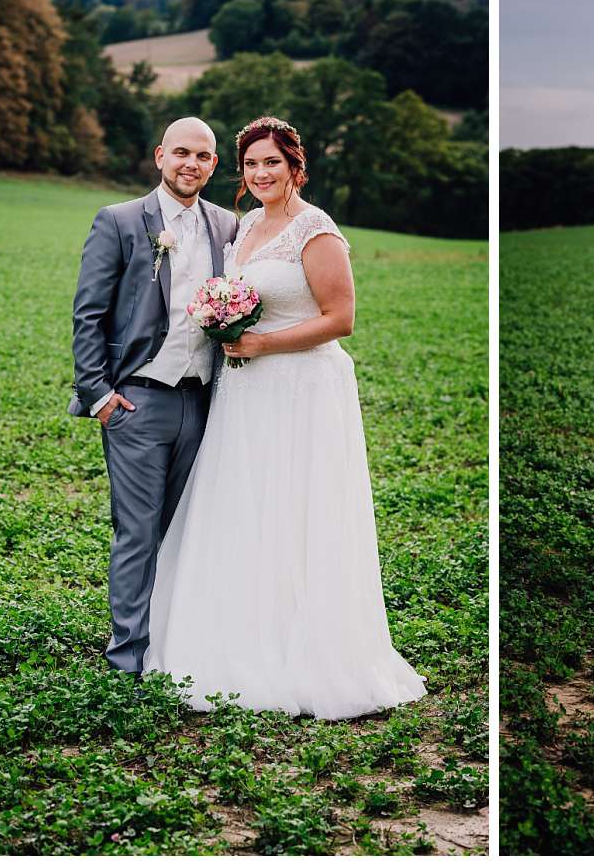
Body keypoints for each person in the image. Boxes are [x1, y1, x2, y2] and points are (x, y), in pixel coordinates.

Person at [142, 116, 427, 719]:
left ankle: (308, 651)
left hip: (302, 387)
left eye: (272, 162)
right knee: (246, 506)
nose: (261, 173)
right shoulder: (243, 226)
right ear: (240, 173)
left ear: (295, 166)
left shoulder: (316, 229)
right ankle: (240, 639)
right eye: (251, 164)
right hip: (245, 392)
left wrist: (265, 345)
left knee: (300, 510)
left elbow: (341, 317)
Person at [70, 117, 238, 677]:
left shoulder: (227, 226)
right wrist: (99, 396)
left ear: (215, 166)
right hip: (139, 402)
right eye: (182, 153)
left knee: (189, 527)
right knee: (138, 532)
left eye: (204, 157)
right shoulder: (119, 221)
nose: (192, 164)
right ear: (160, 156)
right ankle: (126, 660)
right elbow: (89, 313)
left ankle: (176, 646)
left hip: (205, 402)